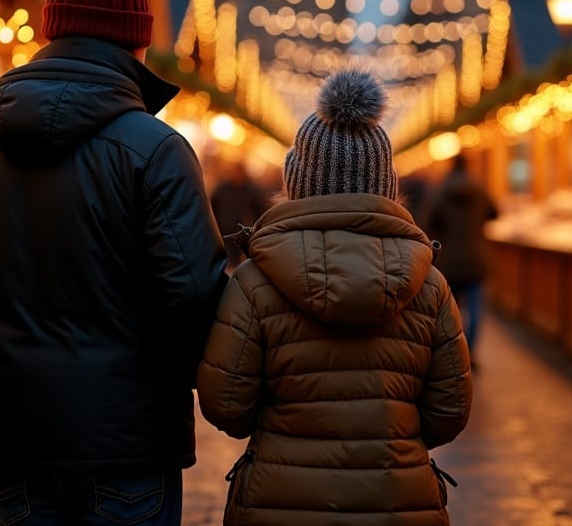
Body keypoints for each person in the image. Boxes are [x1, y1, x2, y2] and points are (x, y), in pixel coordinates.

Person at [0, 0, 229, 526]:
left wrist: (13, 359)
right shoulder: (156, 150)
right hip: (129, 441)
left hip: (17, 438)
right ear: (136, 44)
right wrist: (161, 382)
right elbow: (197, 296)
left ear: (51, 32)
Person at [197, 68, 473, 526]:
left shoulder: (254, 281)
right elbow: (449, 412)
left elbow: (227, 406)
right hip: (399, 502)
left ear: (297, 181)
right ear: (386, 184)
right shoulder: (429, 285)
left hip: (279, 502)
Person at [423, 155, 498, 364]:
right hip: (476, 258)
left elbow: (428, 223)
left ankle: (456, 353)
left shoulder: (439, 191)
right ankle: (470, 350)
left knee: (451, 311)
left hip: (448, 260)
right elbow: (495, 213)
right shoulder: (480, 189)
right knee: (476, 308)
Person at [210, 160, 269, 268]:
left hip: (242, 232)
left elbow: (259, 210)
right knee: (227, 260)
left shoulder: (251, 190)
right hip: (224, 231)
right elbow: (212, 207)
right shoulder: (221, 189)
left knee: (239, 261)